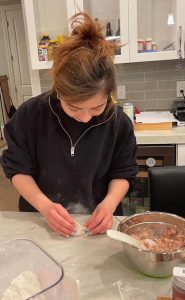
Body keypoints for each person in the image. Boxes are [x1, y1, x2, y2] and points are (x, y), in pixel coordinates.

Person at [2, 12, 138, 237]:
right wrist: (45, 206)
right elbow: (17, 169)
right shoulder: (30, 115)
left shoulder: (117, 123)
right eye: (74, 108)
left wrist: (110, 204)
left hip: (96, 225)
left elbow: (124, 171)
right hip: (39, 220)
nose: (85, 117)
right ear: (58, 93)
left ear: (109, 95)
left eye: (96, 108)